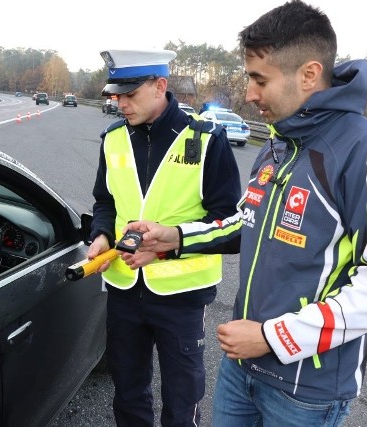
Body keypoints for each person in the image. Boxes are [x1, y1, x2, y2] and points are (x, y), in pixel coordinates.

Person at [125, 1, 367, 426]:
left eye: (260, 79)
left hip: (306, 394)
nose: (249, 94)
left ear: (309, 74)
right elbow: (246, 220)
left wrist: (274, 337)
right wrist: (175, 239)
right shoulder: (278, 143)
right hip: (240, 369)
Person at [87, 49, 241, 426]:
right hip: (124, 289)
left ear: (160, 86)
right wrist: (102, 234)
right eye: (115, 95)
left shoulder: (206, 140)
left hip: (182, 299)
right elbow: (105, 202)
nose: (120, 104)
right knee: (127, 392)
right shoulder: (113, 139)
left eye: (129, 94)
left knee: (181, 400)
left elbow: (234, 227)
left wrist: (170, 243)